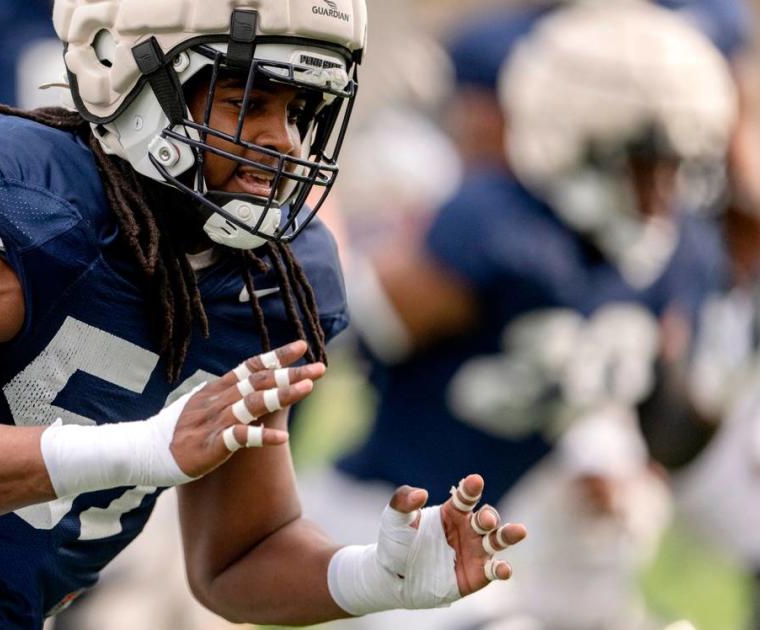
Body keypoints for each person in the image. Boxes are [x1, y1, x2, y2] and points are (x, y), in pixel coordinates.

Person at [0, 1, 528, 628]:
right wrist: (140, 449)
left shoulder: (274, 277)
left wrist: (371, 578)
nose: (285, 142)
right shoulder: (27, 200)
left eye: (301, 109)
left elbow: (238, 556)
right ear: (132, 76)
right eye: (249, 102)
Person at [300, 1, 734, 627]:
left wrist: (615, 453)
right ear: (581, 138)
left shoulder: (682, 249)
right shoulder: (494, 227)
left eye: (678, 167)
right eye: (645, 163)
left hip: (533, 526)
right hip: (397, 512)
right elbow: (339, 335)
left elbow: (661, 422)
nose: (662, 195)